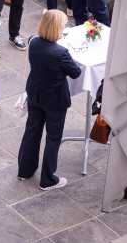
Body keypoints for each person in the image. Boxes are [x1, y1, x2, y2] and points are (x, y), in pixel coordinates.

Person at [17, 10, 81, 190]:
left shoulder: (34, 42)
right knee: (53, 138)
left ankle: (25, 170)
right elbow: (75, 72)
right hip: (55, 100)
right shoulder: (61, 52)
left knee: (32, 132)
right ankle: (47, 179)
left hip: (35, 94)